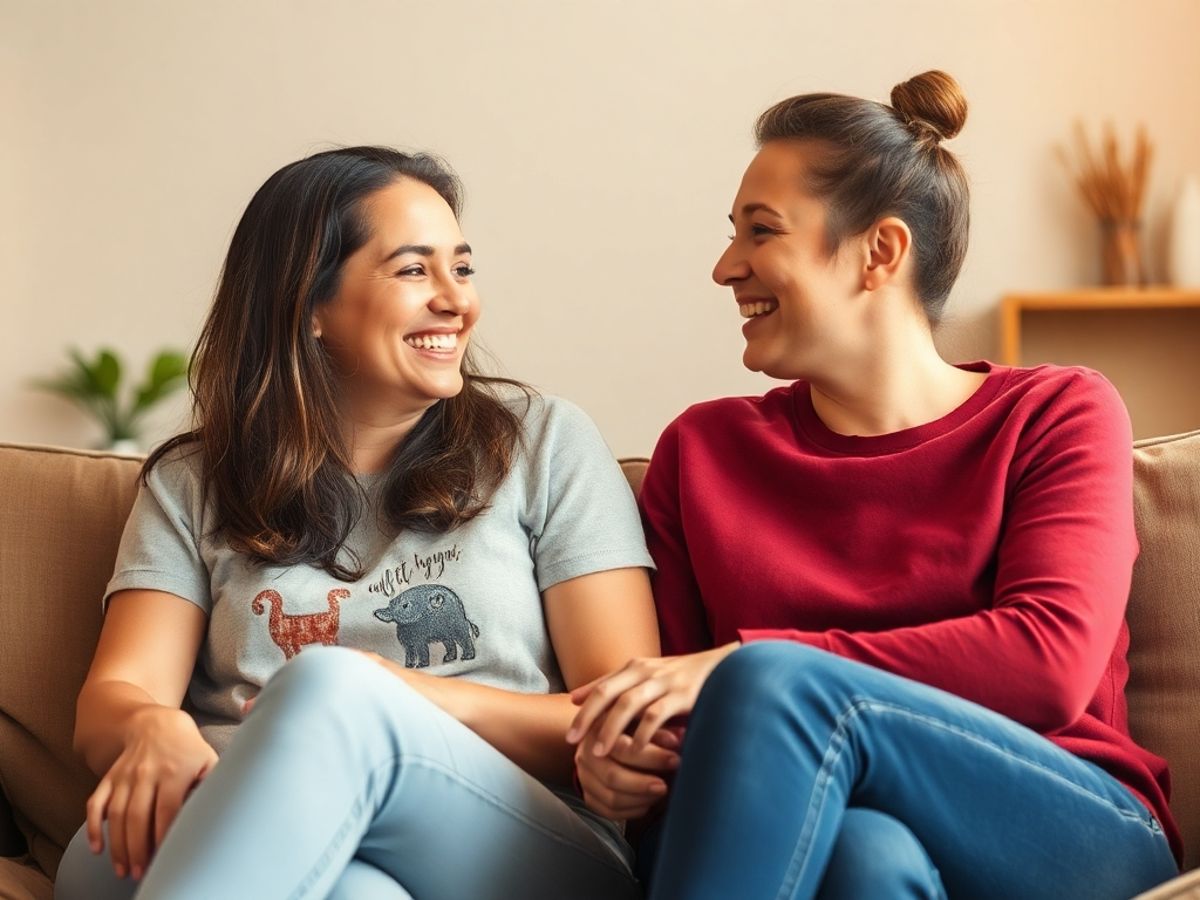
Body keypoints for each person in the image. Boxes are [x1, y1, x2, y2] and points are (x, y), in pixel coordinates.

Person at [567, 71, 1182, 899]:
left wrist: (757, 670)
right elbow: (675, 716)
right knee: (865, 859)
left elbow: (1050, 661)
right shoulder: (702, 451)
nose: (725, 267)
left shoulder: (1055, 412)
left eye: (761, 231)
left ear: (880, 251)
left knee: (771, 683)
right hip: (831, 837)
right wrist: (627, 768)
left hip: (1072, 824)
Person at [55, 146, 659, 900]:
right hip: (231, 810)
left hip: (513, 838)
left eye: (462, 269)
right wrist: (148, 725)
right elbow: (117, 692)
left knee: (330, 691)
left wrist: (384, 697)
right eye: (414, 270)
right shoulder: (195, 480)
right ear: (309, 305)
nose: (456, 301)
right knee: (344, 893)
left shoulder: (544, 443)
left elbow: (623, 719)